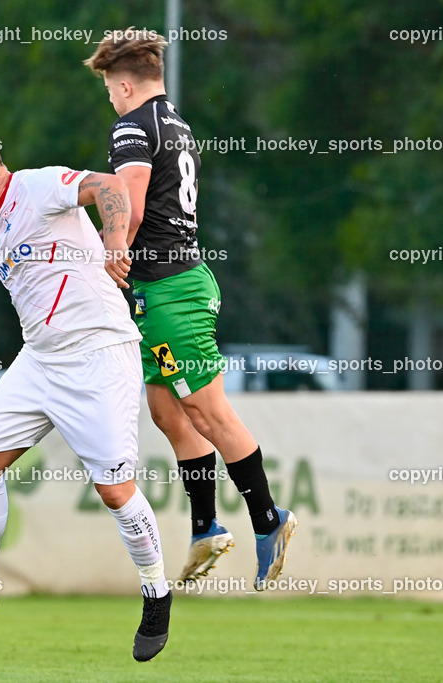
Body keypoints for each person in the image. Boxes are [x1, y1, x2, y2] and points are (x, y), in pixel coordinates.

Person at [0, 130, 171, 662]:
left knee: (116, 492)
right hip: (40, 360)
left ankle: (157, 594)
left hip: (100, 353)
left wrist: (117, 241)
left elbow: (111, 185)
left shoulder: (38, 186)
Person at [85, 31, 297, 591]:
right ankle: (205, 525)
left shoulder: (132, 126)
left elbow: (127, 207)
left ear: (124, 82)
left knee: (208, 411)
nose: (109, 97)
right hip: (171, 287)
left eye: (109, 86)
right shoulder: (173, 121)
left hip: (169, 290)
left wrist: (110, 253)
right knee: (168, 412)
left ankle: (268, 518)